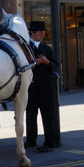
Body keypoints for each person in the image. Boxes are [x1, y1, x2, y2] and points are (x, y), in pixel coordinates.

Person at [24, 21, 60, 153]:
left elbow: (55, 66)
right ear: (32, 33)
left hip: (46, 87)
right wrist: (34, 62)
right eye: (40, 32)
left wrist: (46, 61)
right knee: (30, 114)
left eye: (44, 32)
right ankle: (30, 140)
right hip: (31, 87)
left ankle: (49, 142)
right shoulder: (26, 47)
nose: (43, 34)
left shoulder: (47, 48)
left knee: (47, 115)